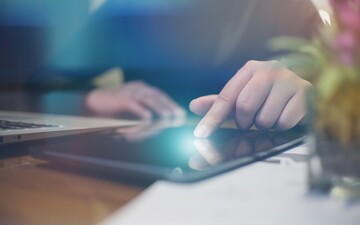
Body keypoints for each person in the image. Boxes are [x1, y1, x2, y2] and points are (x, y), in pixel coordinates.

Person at [44, 0, 321, 136]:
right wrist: (89, 96)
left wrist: (314, 99)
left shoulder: (289, 8)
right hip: (141, 187)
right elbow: (39, 81)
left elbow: (346, 99)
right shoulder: (126, 9)